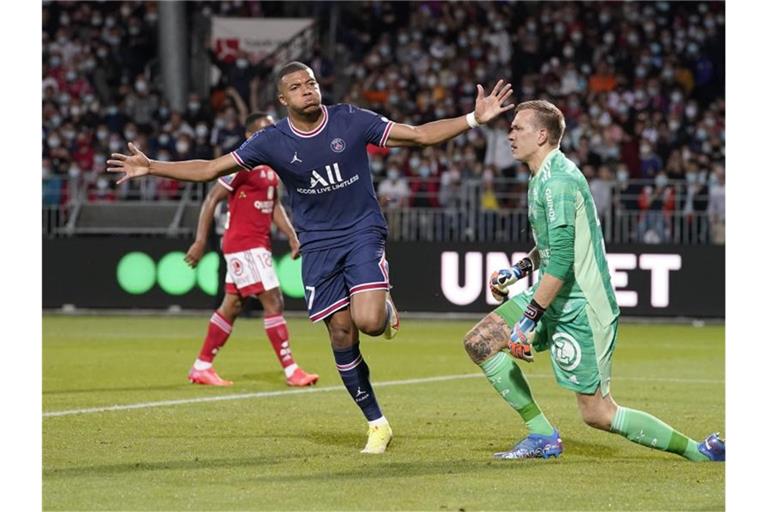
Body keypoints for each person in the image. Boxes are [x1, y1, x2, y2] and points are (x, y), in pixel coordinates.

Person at [108, 61, 514, 453]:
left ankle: (383, 306)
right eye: (297, 86)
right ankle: (377, 423)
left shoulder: (350, 120)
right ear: (283, 99)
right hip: (318, 246)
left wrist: (474, 119)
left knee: (369, 322)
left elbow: (419, 135)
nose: (308, 90)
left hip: (361, 232)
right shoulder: (271, 141)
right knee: (341, 333)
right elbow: (212, 168)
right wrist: (153, 167)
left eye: (312, 83)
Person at [463, 100, 725, 461]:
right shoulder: (541, 177)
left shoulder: (558, 181)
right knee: (480, 342)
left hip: (581, 305)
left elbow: (564, 260)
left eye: (518, 127)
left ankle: (699, 451)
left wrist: (527, 321)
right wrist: (520, 269)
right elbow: (552, 247)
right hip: (554, 298)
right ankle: (542, 435)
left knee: (597, 414)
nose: (509, 134)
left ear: (542, 135)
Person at [184, 111, 319, 388]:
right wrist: (200, 240)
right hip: (245, 244)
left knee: (232, 305)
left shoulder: (271, 166)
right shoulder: (241, 164)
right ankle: (291, 370)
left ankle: (202, 366)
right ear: (248, 136)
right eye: (262, 131)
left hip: (256, 244)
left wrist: (292, 236)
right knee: (274, 301)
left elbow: (275, 204)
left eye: (272, 130)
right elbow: (212, 198)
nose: (269, 135)